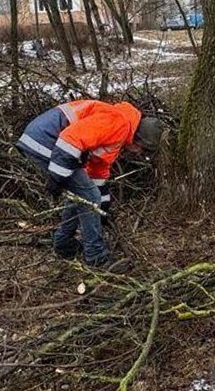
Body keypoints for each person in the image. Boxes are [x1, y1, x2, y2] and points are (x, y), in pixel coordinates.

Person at [16, 100, 163, 269]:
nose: (139, 154)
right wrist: (57, 176)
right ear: (138, 140)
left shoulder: (121, 130)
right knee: (89, 196)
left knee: (85, 195)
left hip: (46, 141)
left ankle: (63, 243)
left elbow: (97, 169)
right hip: (46, 142)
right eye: (142, 150)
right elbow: (70, 139)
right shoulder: (118, 122)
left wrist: (103, 207)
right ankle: (96, 257)